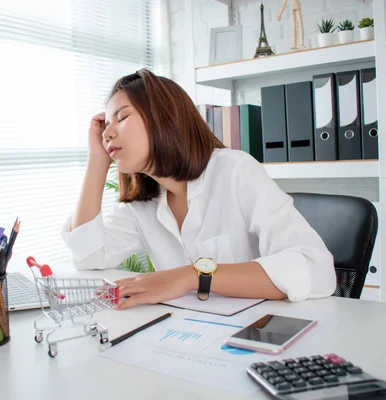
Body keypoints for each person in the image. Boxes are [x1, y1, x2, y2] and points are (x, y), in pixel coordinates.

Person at [61, 68, 336, 310]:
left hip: (258, 332)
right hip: (188, 335)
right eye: (106, 125)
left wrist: (192, 276)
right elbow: (88, 255)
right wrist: (97, 160)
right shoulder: (141, 204)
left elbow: (316, 269)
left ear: (164, 116)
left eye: (120, 118)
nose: (107, 133)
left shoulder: (234, 171)